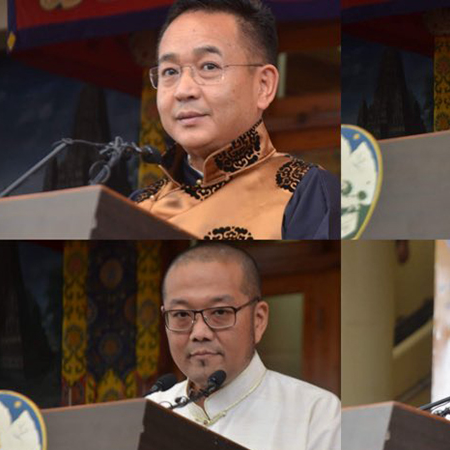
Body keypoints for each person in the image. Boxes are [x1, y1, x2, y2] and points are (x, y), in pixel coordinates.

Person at [133, 0, 339, 239]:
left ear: (263, 85)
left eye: (209, 66)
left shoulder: (306, 192)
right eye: (170, 71)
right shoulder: (139, 206)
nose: (183, 90)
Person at [146, 243, 340, 450]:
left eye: (220, 312)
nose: (200, 333)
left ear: (258, 320)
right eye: (182, 315)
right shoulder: (150, 411)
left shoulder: (316, 414)